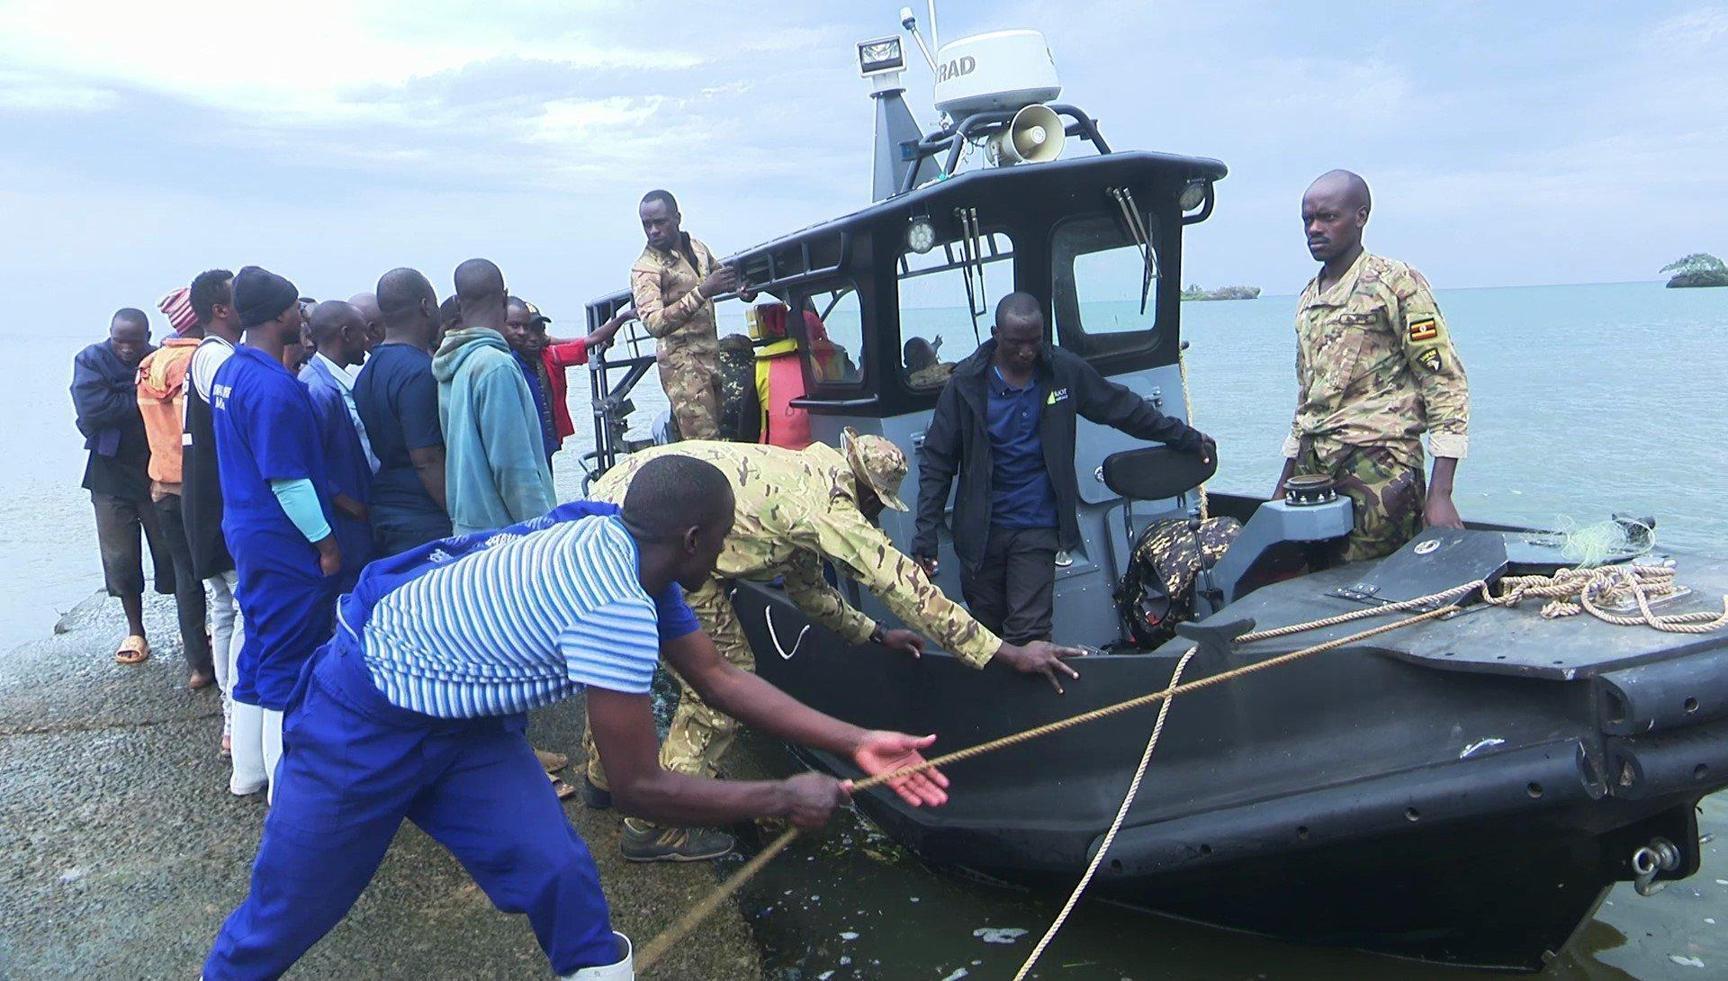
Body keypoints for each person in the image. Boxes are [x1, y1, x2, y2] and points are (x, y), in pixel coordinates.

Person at [201, 455, 948, 979]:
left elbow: (718, 677)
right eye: (722, 540)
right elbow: (639, 788)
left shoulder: (624, 540)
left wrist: (858, 741)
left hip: (464, 726)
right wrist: (782, 795)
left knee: (558, 873)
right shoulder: (613, 606)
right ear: (693, 540)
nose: (725, 552)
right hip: (363, 714)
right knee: (291, 910)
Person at [585, 435, 1081, 861]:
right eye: (877, 507)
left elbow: (809, 591)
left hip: (629, 497)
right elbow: (906, 587)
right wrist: (1005, 652)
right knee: (719, 678)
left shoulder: (802, 473)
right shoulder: (828, 509)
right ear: (868, 495)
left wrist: (874, 634)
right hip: (656, 529)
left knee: (612, 660)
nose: (875, 516)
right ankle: (654, 827)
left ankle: (603, 777)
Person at [914, 292, 1216, 648]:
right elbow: (937, 462)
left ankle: (1035, 678)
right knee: (988, 637)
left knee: (1029, 634)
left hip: (1036, 524)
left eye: (1034, 341)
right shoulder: (966, 384)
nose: (1027, 351)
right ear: (996, 335)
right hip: (981, 533)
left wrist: (1185, 437)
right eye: (1016, 343)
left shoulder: (1061, 371)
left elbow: (1121, 408)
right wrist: (925, 535)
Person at [1273, 170, 1470, 562]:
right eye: (1307, 220)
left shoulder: (1395, 283)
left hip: (1379, 466)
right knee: (1311, 577)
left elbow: (1443, 382)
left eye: (1328, 217)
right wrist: (1284, 481)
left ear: (1360, 216)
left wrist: (1441, 493)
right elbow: (1308, 397)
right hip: (1315, 470)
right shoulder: (1309, 298)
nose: (1314, 229)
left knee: (1371, 582)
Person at [213, 266, 341, 799]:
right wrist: (326, 544)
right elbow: (288, 481)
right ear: (278, 316)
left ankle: (248, 771)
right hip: (282, 537)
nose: (300, 317)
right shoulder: (273, 389)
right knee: (289, 655)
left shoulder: (231, 371)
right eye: (294, 309)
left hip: (245, 530)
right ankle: (286, 790)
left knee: (259, 649)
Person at [184, 269, 255, 783]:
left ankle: (233, 722)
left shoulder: (212, 355)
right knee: (238, 610)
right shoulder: (216, 358)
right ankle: (237, 720)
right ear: (221, 310)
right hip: (218, 506)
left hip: (206, 501)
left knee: (226, 609)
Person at [71, 308, 173, 666]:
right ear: (110, 334)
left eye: (134, 342)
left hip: (156, 468)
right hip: (109, 473)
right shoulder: (90, 359)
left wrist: (120, 397)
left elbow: (172, 406)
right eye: (120, 341)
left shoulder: (159, 359)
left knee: (174, 551)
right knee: (120, 557)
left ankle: (192, 625)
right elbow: (92, 411)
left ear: (148, 337)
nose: (127, 349)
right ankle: (135, 630)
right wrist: (143, 397)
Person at [433, 259, 555, 536]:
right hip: (506, 536)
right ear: (504, 297)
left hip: (470, 529)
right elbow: (513, 468)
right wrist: (545, 532)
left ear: (458, 302)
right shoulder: (495, 365)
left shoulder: (453, 360)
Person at [134, 288, 215, 689]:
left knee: (186, 576)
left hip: (162, 484)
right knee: (223, 577)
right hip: (199, 488)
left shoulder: (149, 365)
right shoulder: (201, 362)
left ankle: (198, 665)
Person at [629, 189, 753, 440]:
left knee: (720, 433)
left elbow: (720, 276)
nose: (653, 230)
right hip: (682, 368)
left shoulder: (698, 249)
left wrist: (741, 289)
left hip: (711, 358)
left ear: (677, 218)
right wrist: (702, 292)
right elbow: (653, 323)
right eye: (647, 225)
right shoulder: (646, 269)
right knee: (703, 443)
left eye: (660, 222)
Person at [355, 268, 452, 556]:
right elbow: (427, 459)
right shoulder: (418, 372)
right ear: (425, 306)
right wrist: (458, 514)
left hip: (386, 508)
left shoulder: (368, 371)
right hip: (424, 516)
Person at [299, 300, 376, 592]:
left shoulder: (336, 379)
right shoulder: (319, 388)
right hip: (346, 522)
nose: (367, 341)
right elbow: (311, 462)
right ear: (345, 334)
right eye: (362, 333)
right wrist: (353, 507)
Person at [503, 297, 631, 462]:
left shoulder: (550, 356)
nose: (531, 337)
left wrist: (623, 318)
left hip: (545, 442)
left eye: (537, 330)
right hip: (521, 445)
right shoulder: (506, 360)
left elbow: (589, 340)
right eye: (523, 329)